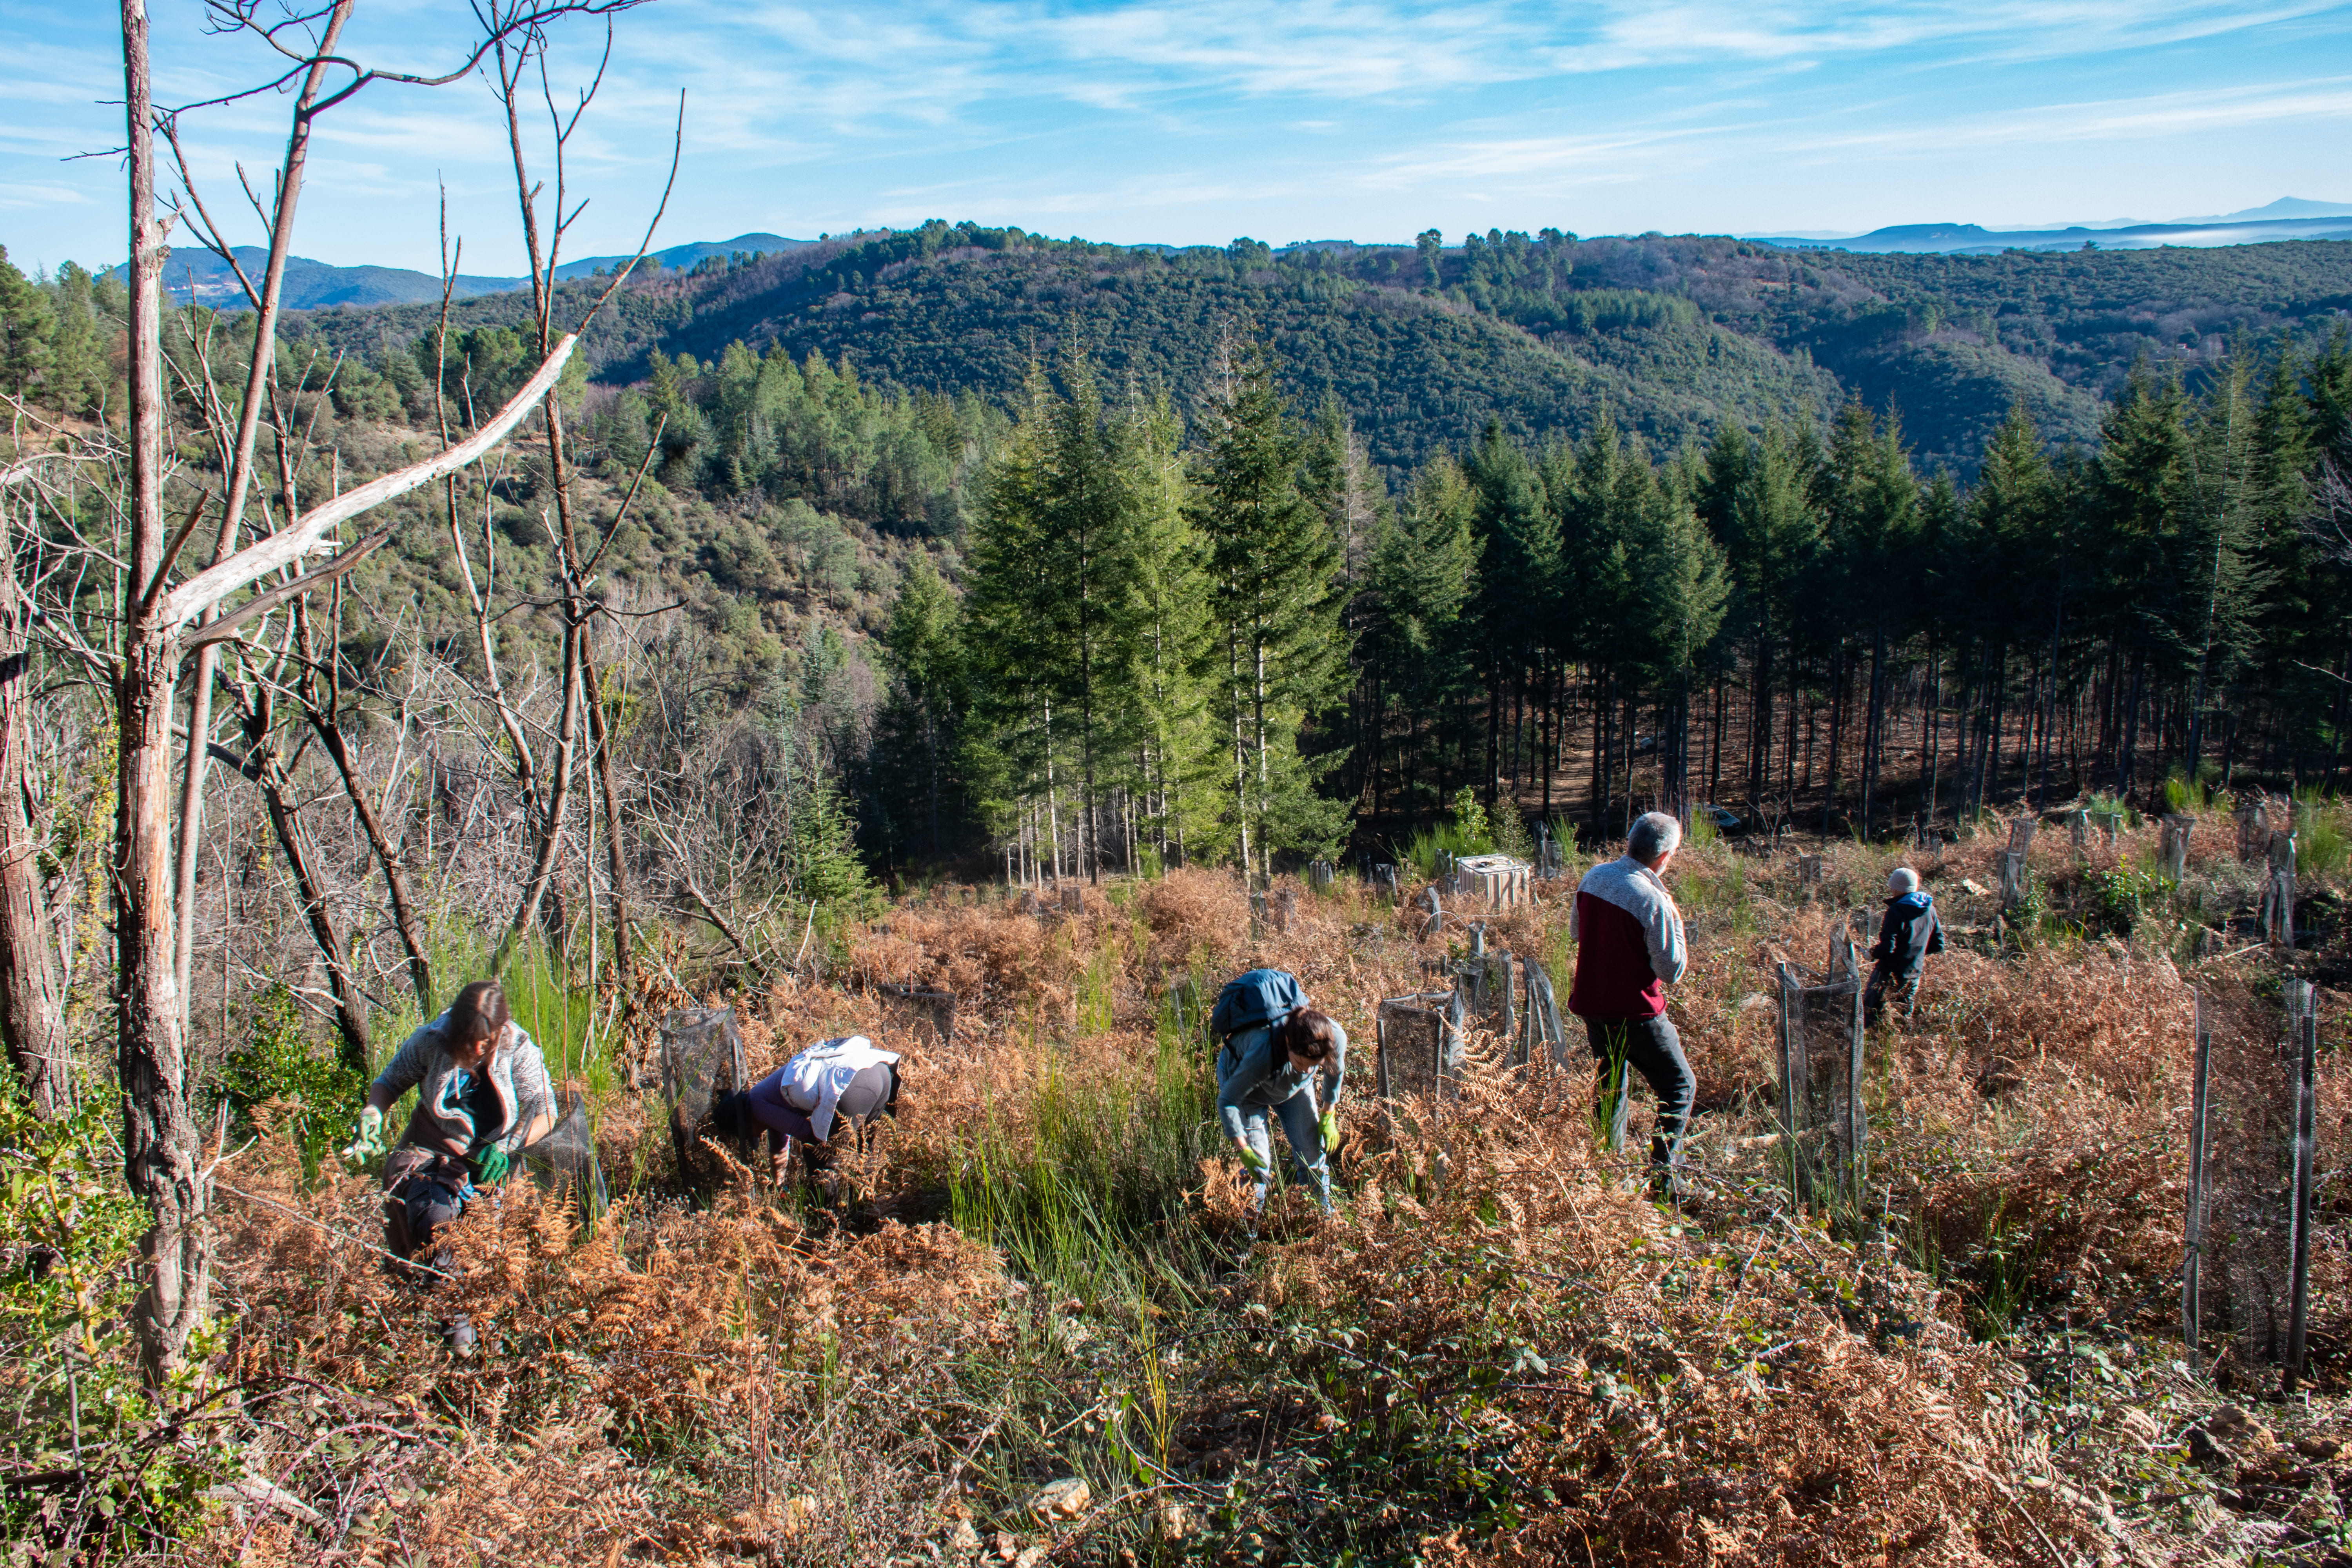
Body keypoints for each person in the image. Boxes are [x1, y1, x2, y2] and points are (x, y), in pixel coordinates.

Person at [345, 980, 555, 1348]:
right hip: (430, 1149)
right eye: (469, 1039)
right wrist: (372, 1112)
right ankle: (455, 1337)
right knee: (436, 1222)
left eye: (486, 1041)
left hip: (492, 1160)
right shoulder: (431, 1040)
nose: (476, 1048)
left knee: (487, 1244)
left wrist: (507, 1147)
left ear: (499, 1033)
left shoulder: (518, 1048)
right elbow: (390, 1083)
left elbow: (546, 1110)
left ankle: (486, 1336)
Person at [1568, 811, 1695, 1193]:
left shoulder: (1594, 878)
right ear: (1666, 854)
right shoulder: (1653, 899)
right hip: (1637, 1012)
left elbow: (1576, 932)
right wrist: (1676, 920)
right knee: (1679, 1086)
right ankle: (1664, 1178)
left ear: (1630, 842)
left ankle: (1610, 1177)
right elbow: (1671, 970)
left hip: (1593, 1007)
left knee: (1611, 1087)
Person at [1214, 981, 1347, 1218]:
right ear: (1288, 1044)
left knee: (1313, 1154)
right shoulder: (1263, 1053)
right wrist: (1242, 1147)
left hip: (1292, 1090)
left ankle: (1321, 1220)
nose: (1306, 1071)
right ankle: (1247, 1238)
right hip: (1247, 1093)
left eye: (1313, 1067)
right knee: (1258, 1168)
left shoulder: (1333, 1037)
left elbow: (1335, 1072)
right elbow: (1228, 1101)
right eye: (1300, 1064)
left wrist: (1329, 1113)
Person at [711, 1034, 902, 1186]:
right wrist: (779, 1186)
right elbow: (779, 1148)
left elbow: (807, 1134)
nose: (753, 1137)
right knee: (863, 1149)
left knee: (817, 1154)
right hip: (879, 1072)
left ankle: (827, 1222)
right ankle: (867, 1208)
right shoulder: (762, 1099)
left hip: (852, 1083)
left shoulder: (757, 1106)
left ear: (742, 1125)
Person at [1866, 867, 1944, 1023]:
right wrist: (1915, 953)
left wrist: (1872, 954)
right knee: (1902, 1018)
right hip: (1914, 972)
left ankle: (1866, 1042)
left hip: (1888, 973)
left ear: (1896, 888)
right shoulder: (1931, 910)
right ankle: (1897, 1044)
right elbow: (1939, 944)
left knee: (1870, 1013)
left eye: (1892, 886)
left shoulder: (1895, 911)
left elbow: (1888, 948)